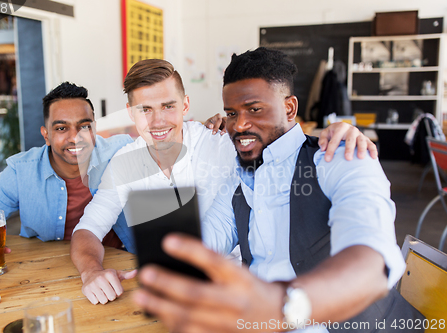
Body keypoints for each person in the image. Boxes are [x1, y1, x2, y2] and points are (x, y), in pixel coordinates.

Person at [133, 48, 423, 332]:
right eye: (231, 113)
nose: (240, 124)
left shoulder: (341, 157)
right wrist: (164, 263)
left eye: (254, 109)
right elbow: (210, 235)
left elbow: (372, 260)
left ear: (289, 108)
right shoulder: (239, 175)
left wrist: (284, 305)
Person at [70, 58, 377, 305]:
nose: (157, 121)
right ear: (131, 113)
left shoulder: (226, 146)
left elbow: (369, 255)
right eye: (145, 110)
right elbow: (212, 233)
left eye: (168, 106)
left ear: (186, 106)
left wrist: (340, 132)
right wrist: (97, 271)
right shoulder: (128, 163)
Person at [0, 82, 133, 251]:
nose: (75, 137)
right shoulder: (21, 171)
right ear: (46, 135)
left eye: (84, 126)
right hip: (45, 270)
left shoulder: (120, 151)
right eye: (61, 128)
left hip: (113, 263)